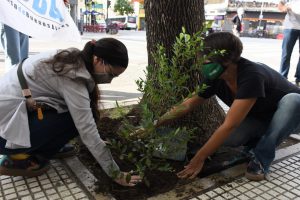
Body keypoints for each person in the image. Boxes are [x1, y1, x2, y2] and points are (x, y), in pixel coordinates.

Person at [149, 32, 300, 181]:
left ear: (226, 60)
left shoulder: (251, 75)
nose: (202, 65)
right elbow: (187, 104)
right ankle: (254, 145)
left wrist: (199, 158)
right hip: (262, 117)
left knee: (293, 100)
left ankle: (261, 159)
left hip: (291, 116)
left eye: (206, 61)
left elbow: (230, 124)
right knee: (232, 139)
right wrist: (154, 124)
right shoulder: (215, 77)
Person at [0, 38, 141, 186]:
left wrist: (96, 144)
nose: (110, 80)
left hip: (10, 116)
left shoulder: (73, 58)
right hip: (4, 134)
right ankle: (19, 160)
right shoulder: (72, 77)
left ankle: (46, 146)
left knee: (73, 116)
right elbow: (86, 129)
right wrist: (116, 174)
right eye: (111, 74)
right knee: (73, 121)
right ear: (98, 60)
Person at [278, 0, 300, 86]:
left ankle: (299, 77)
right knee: (286, 53)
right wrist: (285, 7)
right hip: (290, 26)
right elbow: (280, 5)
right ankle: (283, 77)